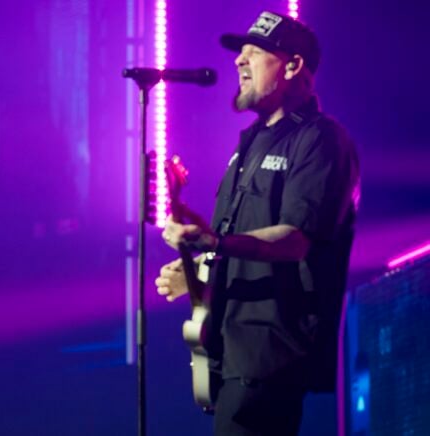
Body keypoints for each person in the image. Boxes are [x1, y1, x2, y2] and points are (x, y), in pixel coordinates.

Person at [155, 11, 359, 436]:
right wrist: (197, 278)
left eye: (254, 52)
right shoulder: (248, 143)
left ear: (292, 65)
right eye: (239, 53)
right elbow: (235, 250)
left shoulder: (321, 140)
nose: (238, 61)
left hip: (271, 356)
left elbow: (294, 240)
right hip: (231, 354)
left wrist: (213, 239)